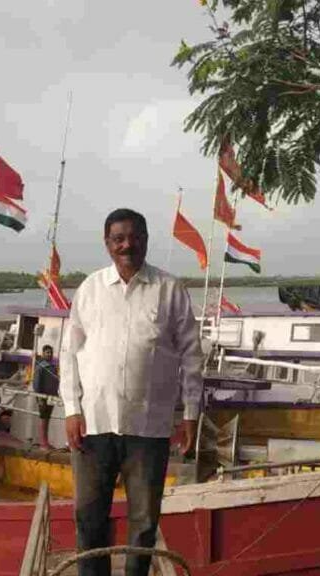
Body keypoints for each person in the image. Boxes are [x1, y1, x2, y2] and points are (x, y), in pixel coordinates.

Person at [60, 208, 204, 576]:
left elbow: (191, 354)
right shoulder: (90, 290)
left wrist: (190, 414)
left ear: (146, 239)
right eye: (118, 239)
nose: (127, 245)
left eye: (134, 237)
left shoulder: (170, 289)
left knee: (143, 523)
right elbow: (70, 353)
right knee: (89, 516)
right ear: (107, 244)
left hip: (149, 426)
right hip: (94, 424)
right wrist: (71, 409)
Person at [32, 344, 60, 450]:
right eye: (47, 352)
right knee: (43, 418)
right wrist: (39, 397)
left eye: (50, 352)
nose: (49, 354)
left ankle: (46, 442)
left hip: (51, 397)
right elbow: (36, 383)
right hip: (43, 397)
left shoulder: (52, 367)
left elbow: (55, 382)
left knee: (48, 418)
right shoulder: (40, 367)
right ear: (43, 353)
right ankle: (43, 443)